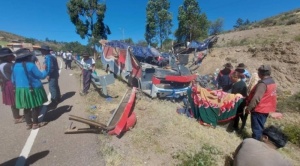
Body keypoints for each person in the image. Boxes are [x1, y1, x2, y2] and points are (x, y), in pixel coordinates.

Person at [12, 49, 48, 130]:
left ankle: (28, 124)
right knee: (35, 106)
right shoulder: (30, 65)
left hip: (20, 89)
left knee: (26, 106)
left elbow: (13, 80)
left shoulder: (14, 66)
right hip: (33, 88)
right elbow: (41, 76)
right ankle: (35, 123)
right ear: (28, 57)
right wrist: (44, 69)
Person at [246, 65, 277, 140]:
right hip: (266, 109)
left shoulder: (263, 84)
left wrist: (249, 108)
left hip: (259, 109)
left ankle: (255, 143)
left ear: (260, 74)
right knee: (260, 126)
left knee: (257, 129)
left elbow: (256, 98)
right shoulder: (272, 82)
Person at [0, 48, 24, 124]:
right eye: (11, 55)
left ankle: (16, 116)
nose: (13, 56)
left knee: (13, 102)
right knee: (16, 101)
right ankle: (17, 117)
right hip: (12, 84)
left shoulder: (1, 64)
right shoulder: (10, 65)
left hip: (5, 84)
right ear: (7, 57)